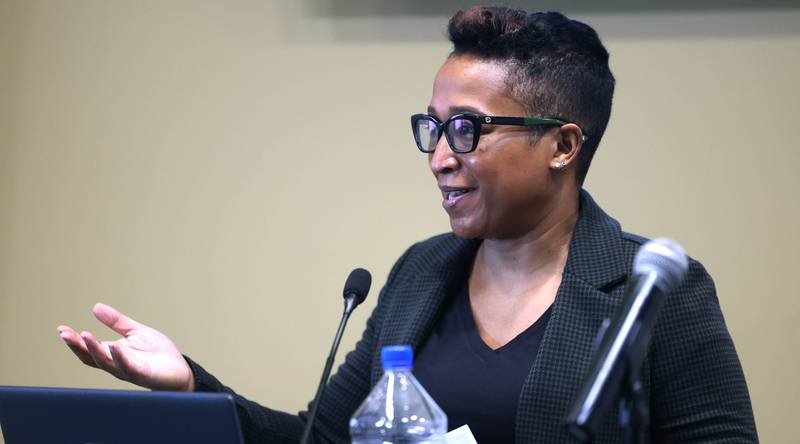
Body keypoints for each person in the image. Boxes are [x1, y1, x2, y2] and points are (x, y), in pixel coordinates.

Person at [57, 6, 757, 443]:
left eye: (468, 129)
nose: (441, 157)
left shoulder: (654, 291)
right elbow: (320, 439)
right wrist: (190, 386)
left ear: (563, 146)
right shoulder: (422, 272)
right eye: (434, 127)